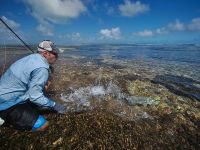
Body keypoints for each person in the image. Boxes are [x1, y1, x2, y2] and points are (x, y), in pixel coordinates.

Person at [0, 40, 66, 131]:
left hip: (5, 93)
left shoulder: (32, 57)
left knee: (45, 85)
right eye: (55, 53)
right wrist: (55, 105)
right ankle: (5, 117)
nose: (57, 56)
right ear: (45, 53)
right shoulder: (42, 68)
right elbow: (34, 97)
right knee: (43, 125)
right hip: (7, 103)